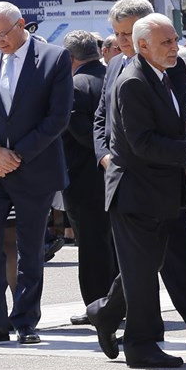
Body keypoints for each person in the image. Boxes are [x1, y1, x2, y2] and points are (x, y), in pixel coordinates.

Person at [92, 0, 186, 346]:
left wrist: (179, 151)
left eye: (127, 32)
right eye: (117, 33)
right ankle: (129, 326)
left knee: (170, 256)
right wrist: (106, 154)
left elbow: (182, 116)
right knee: (140, 263)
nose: (121, 40)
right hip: (135, 177)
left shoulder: (173, 64)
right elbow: (104, 118)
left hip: (164, 175)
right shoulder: (121, 68)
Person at [0, 3, 73, 345]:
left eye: (4, 33)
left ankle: (25, 320)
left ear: (21, 24)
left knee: (30, 248)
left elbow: (57, 117)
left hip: (34, 166)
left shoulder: (54, 58)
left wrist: (17, 154)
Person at [57, 31, 113, 307]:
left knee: (91, 247)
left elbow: (84, 135)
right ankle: (115, 301)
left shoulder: (74, 86)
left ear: (69, 57)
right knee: (113, 243)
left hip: (84, 179)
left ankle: (97, 304)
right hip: (115, 175)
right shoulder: (113, 77)